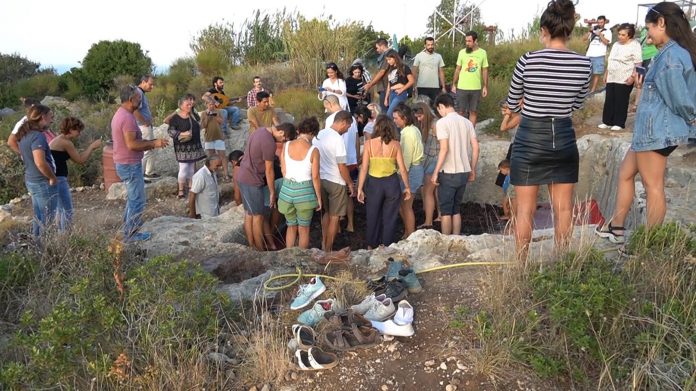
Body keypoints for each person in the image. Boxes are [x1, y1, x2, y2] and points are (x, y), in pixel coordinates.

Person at [595, 2, 696, 248]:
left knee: (653, 186)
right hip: (649, 130)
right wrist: (643, 87)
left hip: (657, 131)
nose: (647, 34)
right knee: (626, 173)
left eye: (649, 27)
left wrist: (692, 118)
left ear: (661, 23)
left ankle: (648, 245)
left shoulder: (672, 55)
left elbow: (679, 97)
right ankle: (616, 227)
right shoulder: (671, 52)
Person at [505, 0, 592, 261]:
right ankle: (562, 265)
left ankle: (521, 266)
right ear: (569, 30)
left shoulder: (527, 60)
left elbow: (512, 103)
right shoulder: (584, 64)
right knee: (564, 209)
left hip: (530, 137)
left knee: (525, 210)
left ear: (544, 29)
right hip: (564, 137)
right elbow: (577, 104)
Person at [112, 85, 169, 242]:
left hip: (124, 162)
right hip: (129, 164)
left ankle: (127, 228)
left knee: (133, 198)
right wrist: (153, 143)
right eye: (139, 98)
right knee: (137, 200)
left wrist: (151, 142)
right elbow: (132, 144)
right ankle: (131, 234)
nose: (141, 101)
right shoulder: (128, 118)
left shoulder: (121, 114)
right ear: (131, 100)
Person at [357, 115, 411, 249]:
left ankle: (371, 245)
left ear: (376, 127)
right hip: (391, 183)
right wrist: (407, 187)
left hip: (374, 184)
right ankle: (386, 245)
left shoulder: (369, 144)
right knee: (390, 217)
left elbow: (364, 168)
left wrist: (359, 188)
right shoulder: (396, 144)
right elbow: (402, 169)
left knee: (372, 215)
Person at [431, 94, 479, 236]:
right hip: (464, 171)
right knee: (456, 209)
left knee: (446, 211)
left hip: (448, 172)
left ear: (441, 106)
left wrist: (435, 172)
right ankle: (457, 238)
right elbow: (476, 147)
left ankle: (446, 241)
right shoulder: (467, 122)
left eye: (438, 110)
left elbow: (444, 149)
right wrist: (473, 169)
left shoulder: (442, 123)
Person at [237, 124, 287, 251]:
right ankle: (260, 250)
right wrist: (272, 193)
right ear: (281, 132)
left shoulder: (259, 131)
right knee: (258, 216)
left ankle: (252, 245)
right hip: (253, 180)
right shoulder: (270, 143)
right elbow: (269, 170)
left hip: (243, 176)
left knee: (249, 214)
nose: (284, 141)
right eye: (285, 138)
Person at [313, 110, 356, 252]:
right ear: (343, 122)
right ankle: (328, 250)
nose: (348, 129)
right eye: (348, 126)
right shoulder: (338, 139)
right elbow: (342, 166)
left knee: (326, 213)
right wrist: (350, 183)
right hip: (336, 181)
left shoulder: (319, 134)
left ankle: (324, 244)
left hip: (322, 179)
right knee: (335, 217)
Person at [49, 117, 101, 230]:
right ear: (71, 129)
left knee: (60, 209)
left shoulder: (58, 140)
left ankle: (60, 235)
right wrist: (92, 147)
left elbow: (75, 157)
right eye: (78, 130)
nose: (79, 133)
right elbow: (80, 160)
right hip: (59, 179)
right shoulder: (66, 143)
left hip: (52, 178)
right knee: (67, 210)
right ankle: (65, 237)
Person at [278, 117, 322, 249]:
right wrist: (319, 197)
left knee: (291, 226)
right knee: (304, 229)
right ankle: (301, 260)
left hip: (286, 190)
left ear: (299, 130)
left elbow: (283, 170)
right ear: (313, 133)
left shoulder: (286, 146)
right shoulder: (313, 150)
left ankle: (288, 256)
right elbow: (315, 177)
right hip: (305, 192)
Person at [16, 105, 58, 239]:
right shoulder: (37, 136)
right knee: (47, 218)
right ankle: (46, 251)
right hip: (42, 182)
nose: (52, 120)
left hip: (32, 180)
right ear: (42, 117)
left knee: (39, 216)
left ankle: (37, 247)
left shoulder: (25, 134)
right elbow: (40, 162)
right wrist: (52, 177)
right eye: (50, 117)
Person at [325, 95, 360, 233]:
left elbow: (328, 141)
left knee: (335, 195)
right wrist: (357, 157)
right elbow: (357, 138)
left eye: (325, 105)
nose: (325, 108)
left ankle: (337, 225)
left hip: (337, 163)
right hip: (351, 160)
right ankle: (350, 224)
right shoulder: (351, 118)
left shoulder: (330, 120)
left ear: (329, 104)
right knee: (349, 194)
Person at [598, 23, 642, 131]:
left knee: (621, 100)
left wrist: (632, 77)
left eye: (623, 35)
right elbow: (611, 59)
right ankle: (607, 121)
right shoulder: (616, 44)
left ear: (629, 35)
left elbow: (638, 63)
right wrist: (606, 74)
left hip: (624, 76)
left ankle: (619, 122)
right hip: (612, 76)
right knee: (609, 99)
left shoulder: (635, 45)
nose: (620, 37)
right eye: (619, 34)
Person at [392, 103, 424, 239]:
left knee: (406, 205)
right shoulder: (413, 129)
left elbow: (406, 159)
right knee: (403, 205)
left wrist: (400, 175)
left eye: (396, 118)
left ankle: (410, 234)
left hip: (412, 170)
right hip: (416, 168)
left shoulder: (408, 134)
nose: (394, 121)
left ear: (404, 118)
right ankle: (407, 231)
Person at [168, 95, 206, 198]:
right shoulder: (175, 118)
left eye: (190, 104)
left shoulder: (193, 115)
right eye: (187, 104)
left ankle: (190, 187)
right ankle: (180, 189)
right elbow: (170, 131)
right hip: (182, 148)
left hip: (194, 145)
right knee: (183, 168)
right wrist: (182, 133)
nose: (190, 106)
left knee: (191, 169)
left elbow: (199, 125)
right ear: (181, 106)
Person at [451, 31, 489, 127]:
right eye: (466, 41)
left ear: (475, 41)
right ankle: (460, 133)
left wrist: (485, 86)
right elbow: (458, 69)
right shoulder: (462, 53)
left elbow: (484, 70)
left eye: (469, 41)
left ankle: (471, 134)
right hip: (462, 87)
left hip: (476, 88)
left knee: (473, 112)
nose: (467, 43)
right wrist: (454, 84)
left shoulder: (483, 53)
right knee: (460, 112)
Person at [413, 101, 440, 229]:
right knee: (432, 191)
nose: (418, 119)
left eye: (420, 116)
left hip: (434, 161)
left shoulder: (435, 124)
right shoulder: (425, 124)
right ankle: (437, 215)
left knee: (429, 191)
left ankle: (428, 221)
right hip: (428, 160)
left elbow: (442, 145)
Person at [134, 75, 159, 181]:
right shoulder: (138, 92)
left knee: (150, 148)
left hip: (144, 126)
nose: (152, 87)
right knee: (146, 150)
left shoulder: (140, 93)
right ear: (143, 82)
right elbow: (135, 110)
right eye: (150, 84)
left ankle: (149, 172)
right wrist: (144, 122)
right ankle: (142, 174)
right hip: (142, 126)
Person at [364, 38, 399, 112]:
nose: (377, 50)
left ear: (382, 46)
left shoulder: (389, 54)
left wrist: (370, 85)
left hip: (387, 88)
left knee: (386, 112)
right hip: (385, 87)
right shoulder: (385, 55)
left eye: (377, 48)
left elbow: (382, 71)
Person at [200, 99, 230, 180]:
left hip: (219, 137)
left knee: (223, 156)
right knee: (211, 157)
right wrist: (207, 116)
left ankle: (226, 174)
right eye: (210, 104)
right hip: (209, 137)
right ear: (206, 105)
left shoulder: (218, 111)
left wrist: (215, 115)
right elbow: (203, 126)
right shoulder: (203, 113)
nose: (212, 106)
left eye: (213, 104)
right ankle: (213, 174)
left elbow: (222, 122)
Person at [412, 37, 447, 106]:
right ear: (425, 45)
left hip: (435, 87)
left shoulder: (438, 56)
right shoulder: (419, 56)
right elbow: (414, 72)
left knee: (435, 108)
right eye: (428, 45)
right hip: (422, 87)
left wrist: (443, 87)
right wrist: (414, 86)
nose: (430, 46)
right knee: (423, 108)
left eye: (432, 44)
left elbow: (441, 72)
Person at [584, 15, 612, 94]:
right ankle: (585, 90)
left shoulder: (607, 31)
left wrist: (600, 34)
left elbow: (607, 42)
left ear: (604, 22)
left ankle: (592, 90)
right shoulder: (593, 30)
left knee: (597, 73)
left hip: (599, 55)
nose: (600, 24)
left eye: (601, 22)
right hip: (589, 54)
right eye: (598, 22)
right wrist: (590, 31)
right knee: (586, 74)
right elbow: (584, 39)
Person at [383, 51, 415, 117]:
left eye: (389, 59)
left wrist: (402, 89)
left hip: (400, 93)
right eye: (387, 60)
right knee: (395, 115)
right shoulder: (390, 69)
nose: (388, 62)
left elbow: (411, 81)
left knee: (389, 113)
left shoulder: (404, 67)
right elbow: (389, 85)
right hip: (392, 93)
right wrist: (386, 98)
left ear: (395, 58)